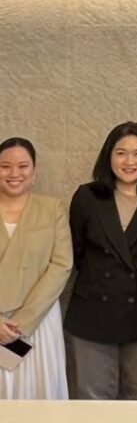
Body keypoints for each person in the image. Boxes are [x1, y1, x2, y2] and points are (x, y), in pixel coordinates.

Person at [64, 122, 137, 399]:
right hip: (93, 314)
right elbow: (77, 252)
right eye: (121, 153)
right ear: (108, 156)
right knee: (92, 400)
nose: (129, 162)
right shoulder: (87, 196)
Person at [0, 137, 72, 399]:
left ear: (34, 170)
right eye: (5, 166)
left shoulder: (52, 209)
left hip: (37, 321)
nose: (14, 173)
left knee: (39, 394)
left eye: (23, 166)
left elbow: (61, 265)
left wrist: (22, 322)